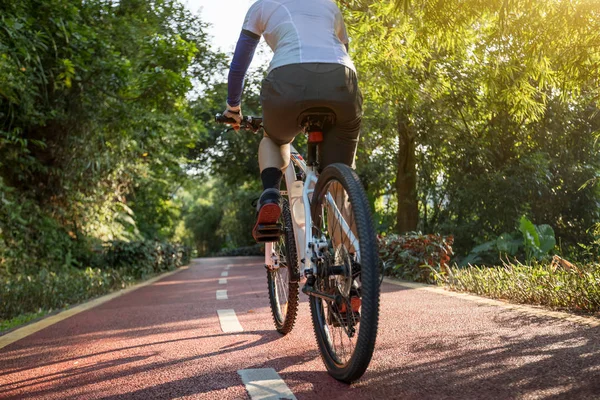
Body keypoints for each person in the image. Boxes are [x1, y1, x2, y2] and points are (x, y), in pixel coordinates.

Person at [223, 0, 363, 242]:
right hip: (342, 83)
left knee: (275, 140)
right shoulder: (329, 6)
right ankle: (356, 269)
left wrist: (233, 108)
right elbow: (343, 50)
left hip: (287, 82)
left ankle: (270, 194)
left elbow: (239, 66)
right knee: (339, 192)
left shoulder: (261, 6)